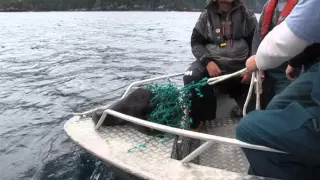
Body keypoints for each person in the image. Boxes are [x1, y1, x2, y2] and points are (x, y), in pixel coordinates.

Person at [235, 0, 320, 179]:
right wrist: (293, 63)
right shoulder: (268, 7)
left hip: (280, 64)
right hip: (293, 65)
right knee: (277, 106)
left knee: (247, 128)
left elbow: (289, 37)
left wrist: (257, 61)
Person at [183, 0, 257, 131]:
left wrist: (251, 68)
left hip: (241, 67)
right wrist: (208, 62)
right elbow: (196, 43)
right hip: (214, 64)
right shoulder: (205, 15)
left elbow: (256, 42)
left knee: (266, 77)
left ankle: (246, 107)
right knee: (191, 76)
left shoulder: (247, 14)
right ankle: (202, 119)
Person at [250, 0, 299, 109]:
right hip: (268, 70)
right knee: (264, 102)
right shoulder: (268, 6)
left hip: (290, 72)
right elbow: (258, 36)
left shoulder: (302, 5)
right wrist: (256, 61)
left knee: (278, 105)